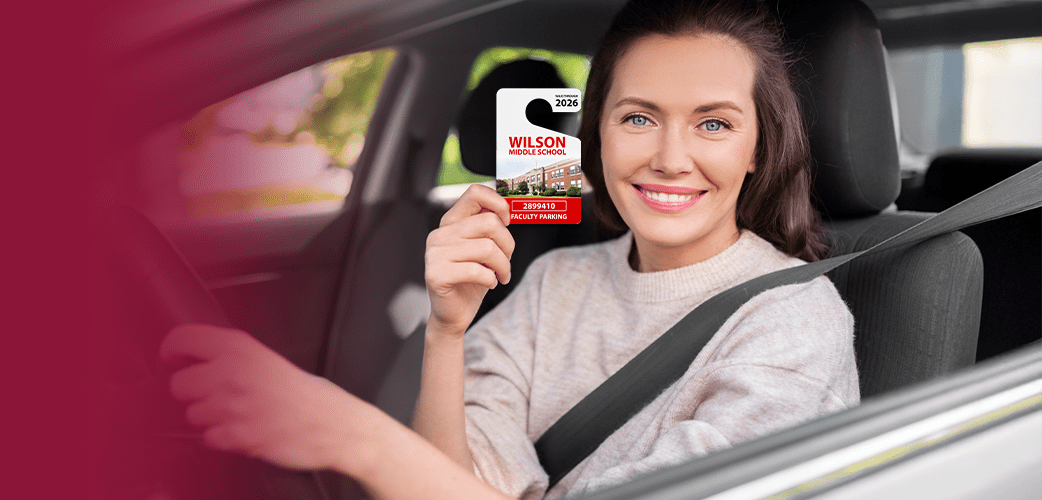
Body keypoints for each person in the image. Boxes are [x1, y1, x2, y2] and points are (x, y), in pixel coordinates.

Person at [156, 1, 857, 499]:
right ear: (599, 136)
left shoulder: (793, 319)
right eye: (639, 117)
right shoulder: (555, 277)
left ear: (757, 149)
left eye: (714, 124)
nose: (671, 158)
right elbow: (457, 481)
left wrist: (350, 437)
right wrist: (447, 329)